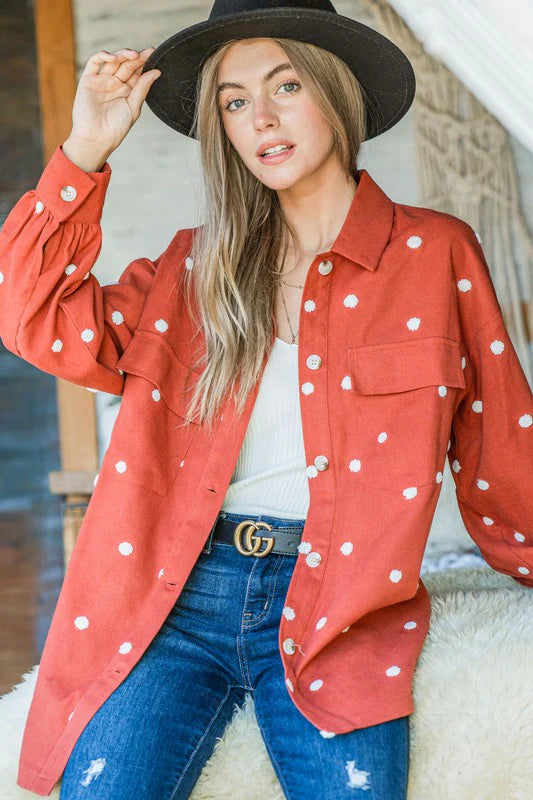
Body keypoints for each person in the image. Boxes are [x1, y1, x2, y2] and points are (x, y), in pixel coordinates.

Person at [1, 2, 531, 798]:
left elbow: (503, 449)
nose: (261, 118)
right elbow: (32, 317)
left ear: (336, 90)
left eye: (285, 85)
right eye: (234, 100)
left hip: (341, 610)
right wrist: (85, 149)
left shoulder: (433, 253)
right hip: (176, 602)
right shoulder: (192, 269)